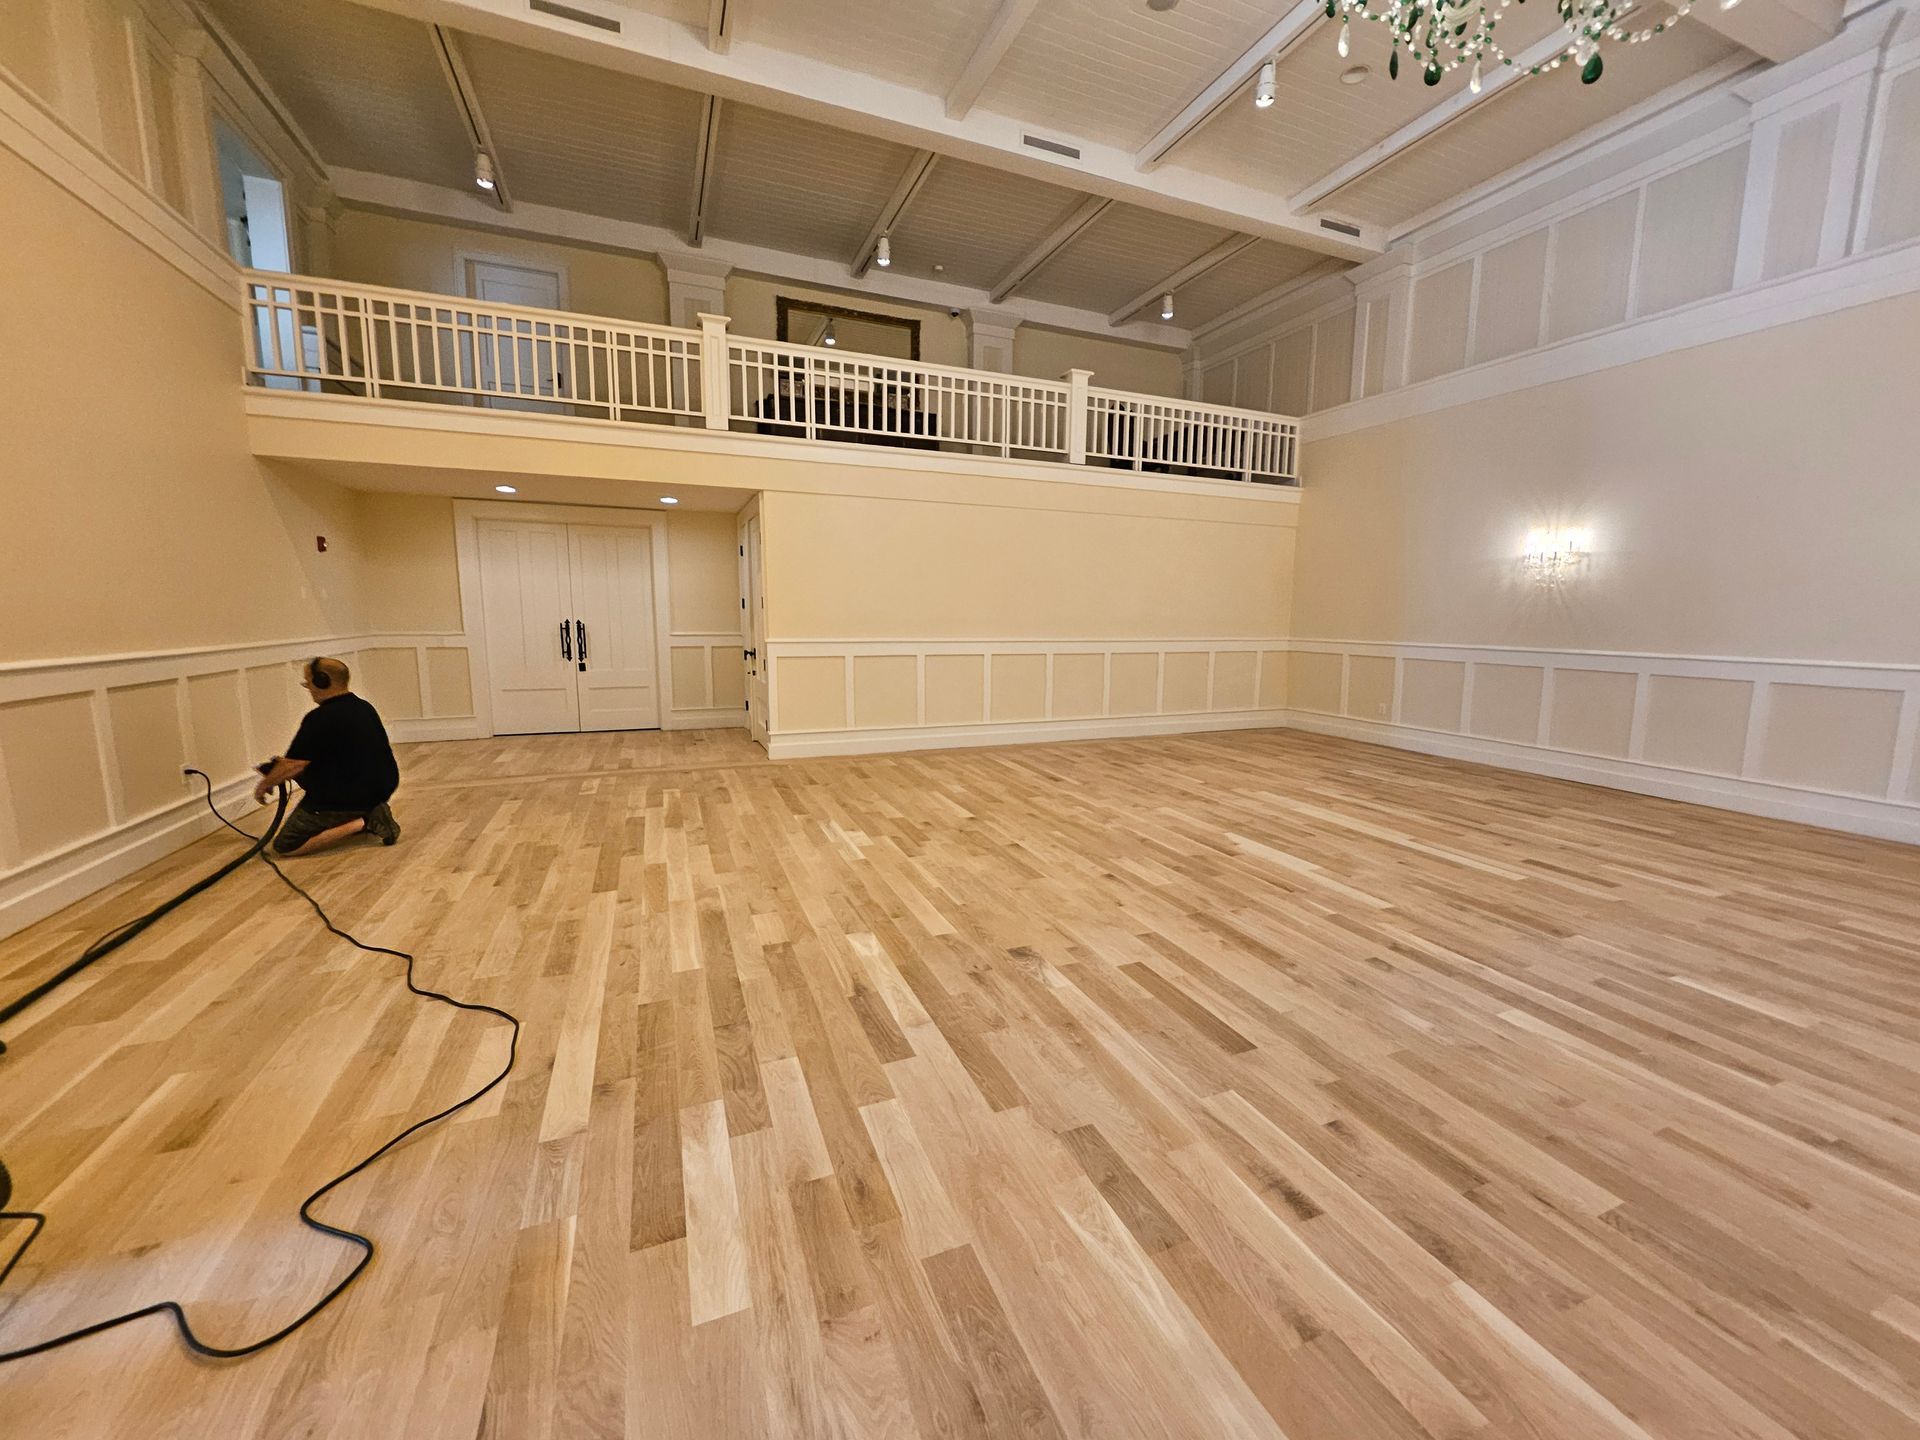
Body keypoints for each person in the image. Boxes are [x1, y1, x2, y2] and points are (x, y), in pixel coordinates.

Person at [253, 657, 402, 855]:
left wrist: (264, 785)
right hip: (380, 787)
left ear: (322, 681)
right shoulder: (364, 707)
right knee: (291, 767)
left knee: (285, 845)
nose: (308, 688)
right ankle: (370, 809)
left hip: (344, 796)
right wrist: (280, 769)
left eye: (308, 682)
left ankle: (365, 820)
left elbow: (294, 765)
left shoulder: (319, 718)